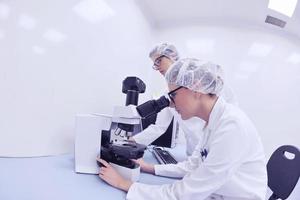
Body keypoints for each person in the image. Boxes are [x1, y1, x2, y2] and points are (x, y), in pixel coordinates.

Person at [97, 58, 267, 200]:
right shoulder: (214, 122)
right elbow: (193, 166)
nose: (171, 103)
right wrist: (149, 167)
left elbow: (184, 194)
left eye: (173, 95)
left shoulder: (232, 127)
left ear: (196, 88)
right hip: (219, 193)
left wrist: (125, 184)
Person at [132, 43, 237, 156]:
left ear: (172, 56)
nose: (156, 67)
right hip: (194, 153)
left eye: (158, 61)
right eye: (154, 64)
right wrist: (132, 141)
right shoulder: (168, 94)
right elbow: (159, 127)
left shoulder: (207, 79)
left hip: (217, 148)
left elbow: (229, 112)